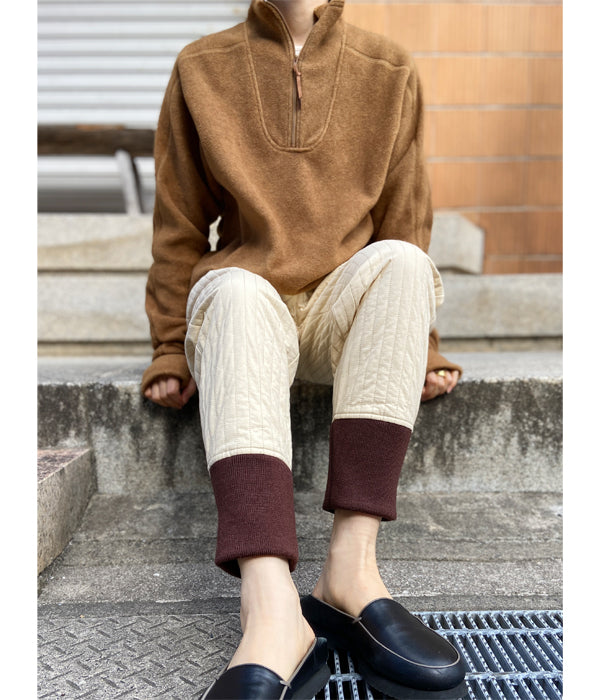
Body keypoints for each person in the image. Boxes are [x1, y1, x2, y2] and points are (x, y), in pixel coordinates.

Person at [141, 1, 467, 698]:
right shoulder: (200, 67)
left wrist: (421, 345)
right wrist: (170, 347)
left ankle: (350, 574)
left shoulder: (389, 68)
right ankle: (271, 610)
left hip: (337, 312)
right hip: (248, 312)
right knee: (232, 288)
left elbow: (405, 217)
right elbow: (178, 224)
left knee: (404, 261)